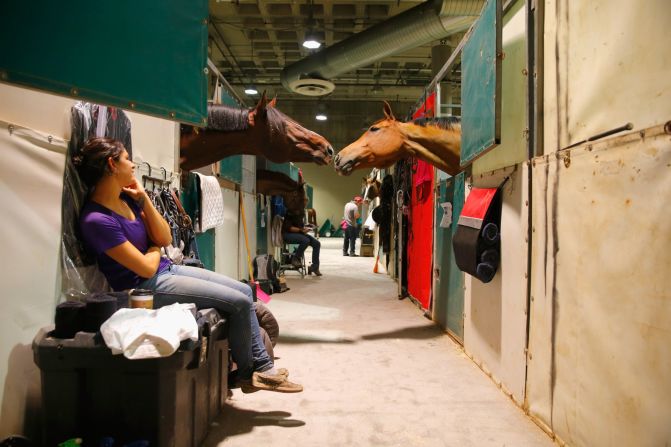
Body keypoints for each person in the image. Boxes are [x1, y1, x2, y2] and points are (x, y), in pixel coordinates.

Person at [74, 137, 301, 393]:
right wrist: (153, 248)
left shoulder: (126, 201)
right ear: (112, 165)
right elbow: (145, 268)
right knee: (237, 302)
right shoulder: (96, 220)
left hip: (165, 269)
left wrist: (144, 201)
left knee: (245, 292)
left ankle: (261, 366)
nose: (133, 165)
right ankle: (251, 373)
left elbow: (165, 238)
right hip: (145, 288)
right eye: (127, 158)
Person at [282, 207, 322, 276]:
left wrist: (307, 227)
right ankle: (295, 259)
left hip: (298, 234)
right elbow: (289, 228)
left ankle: (314, 267)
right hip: (288, 234)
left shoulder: (301, 213)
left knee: (317, 243)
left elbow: (299, 227)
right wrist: (301, 230)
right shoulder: (290, 212)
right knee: (305, 240)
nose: (305, 205)